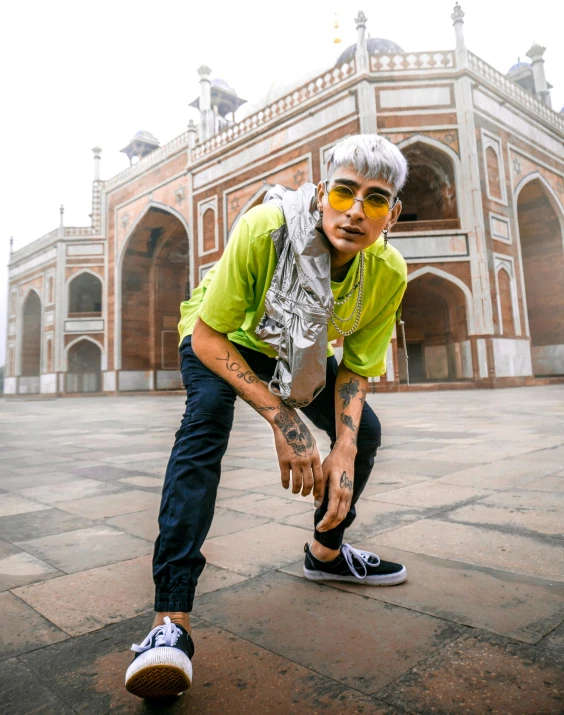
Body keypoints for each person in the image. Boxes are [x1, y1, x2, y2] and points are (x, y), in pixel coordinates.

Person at [125, 134, 409, 699]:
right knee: (205, 423)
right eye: (344, 191)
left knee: (366, 431)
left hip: (296, 350)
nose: (355, 211)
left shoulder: (387, 272)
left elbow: (354, 369)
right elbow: (207, 338)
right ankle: (169, 624)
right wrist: (286, 423)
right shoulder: (265, 229)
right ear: (323, 192)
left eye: (374, 199)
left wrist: (344, 449)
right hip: (222, 334)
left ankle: (326, 554)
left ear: (392, 214)